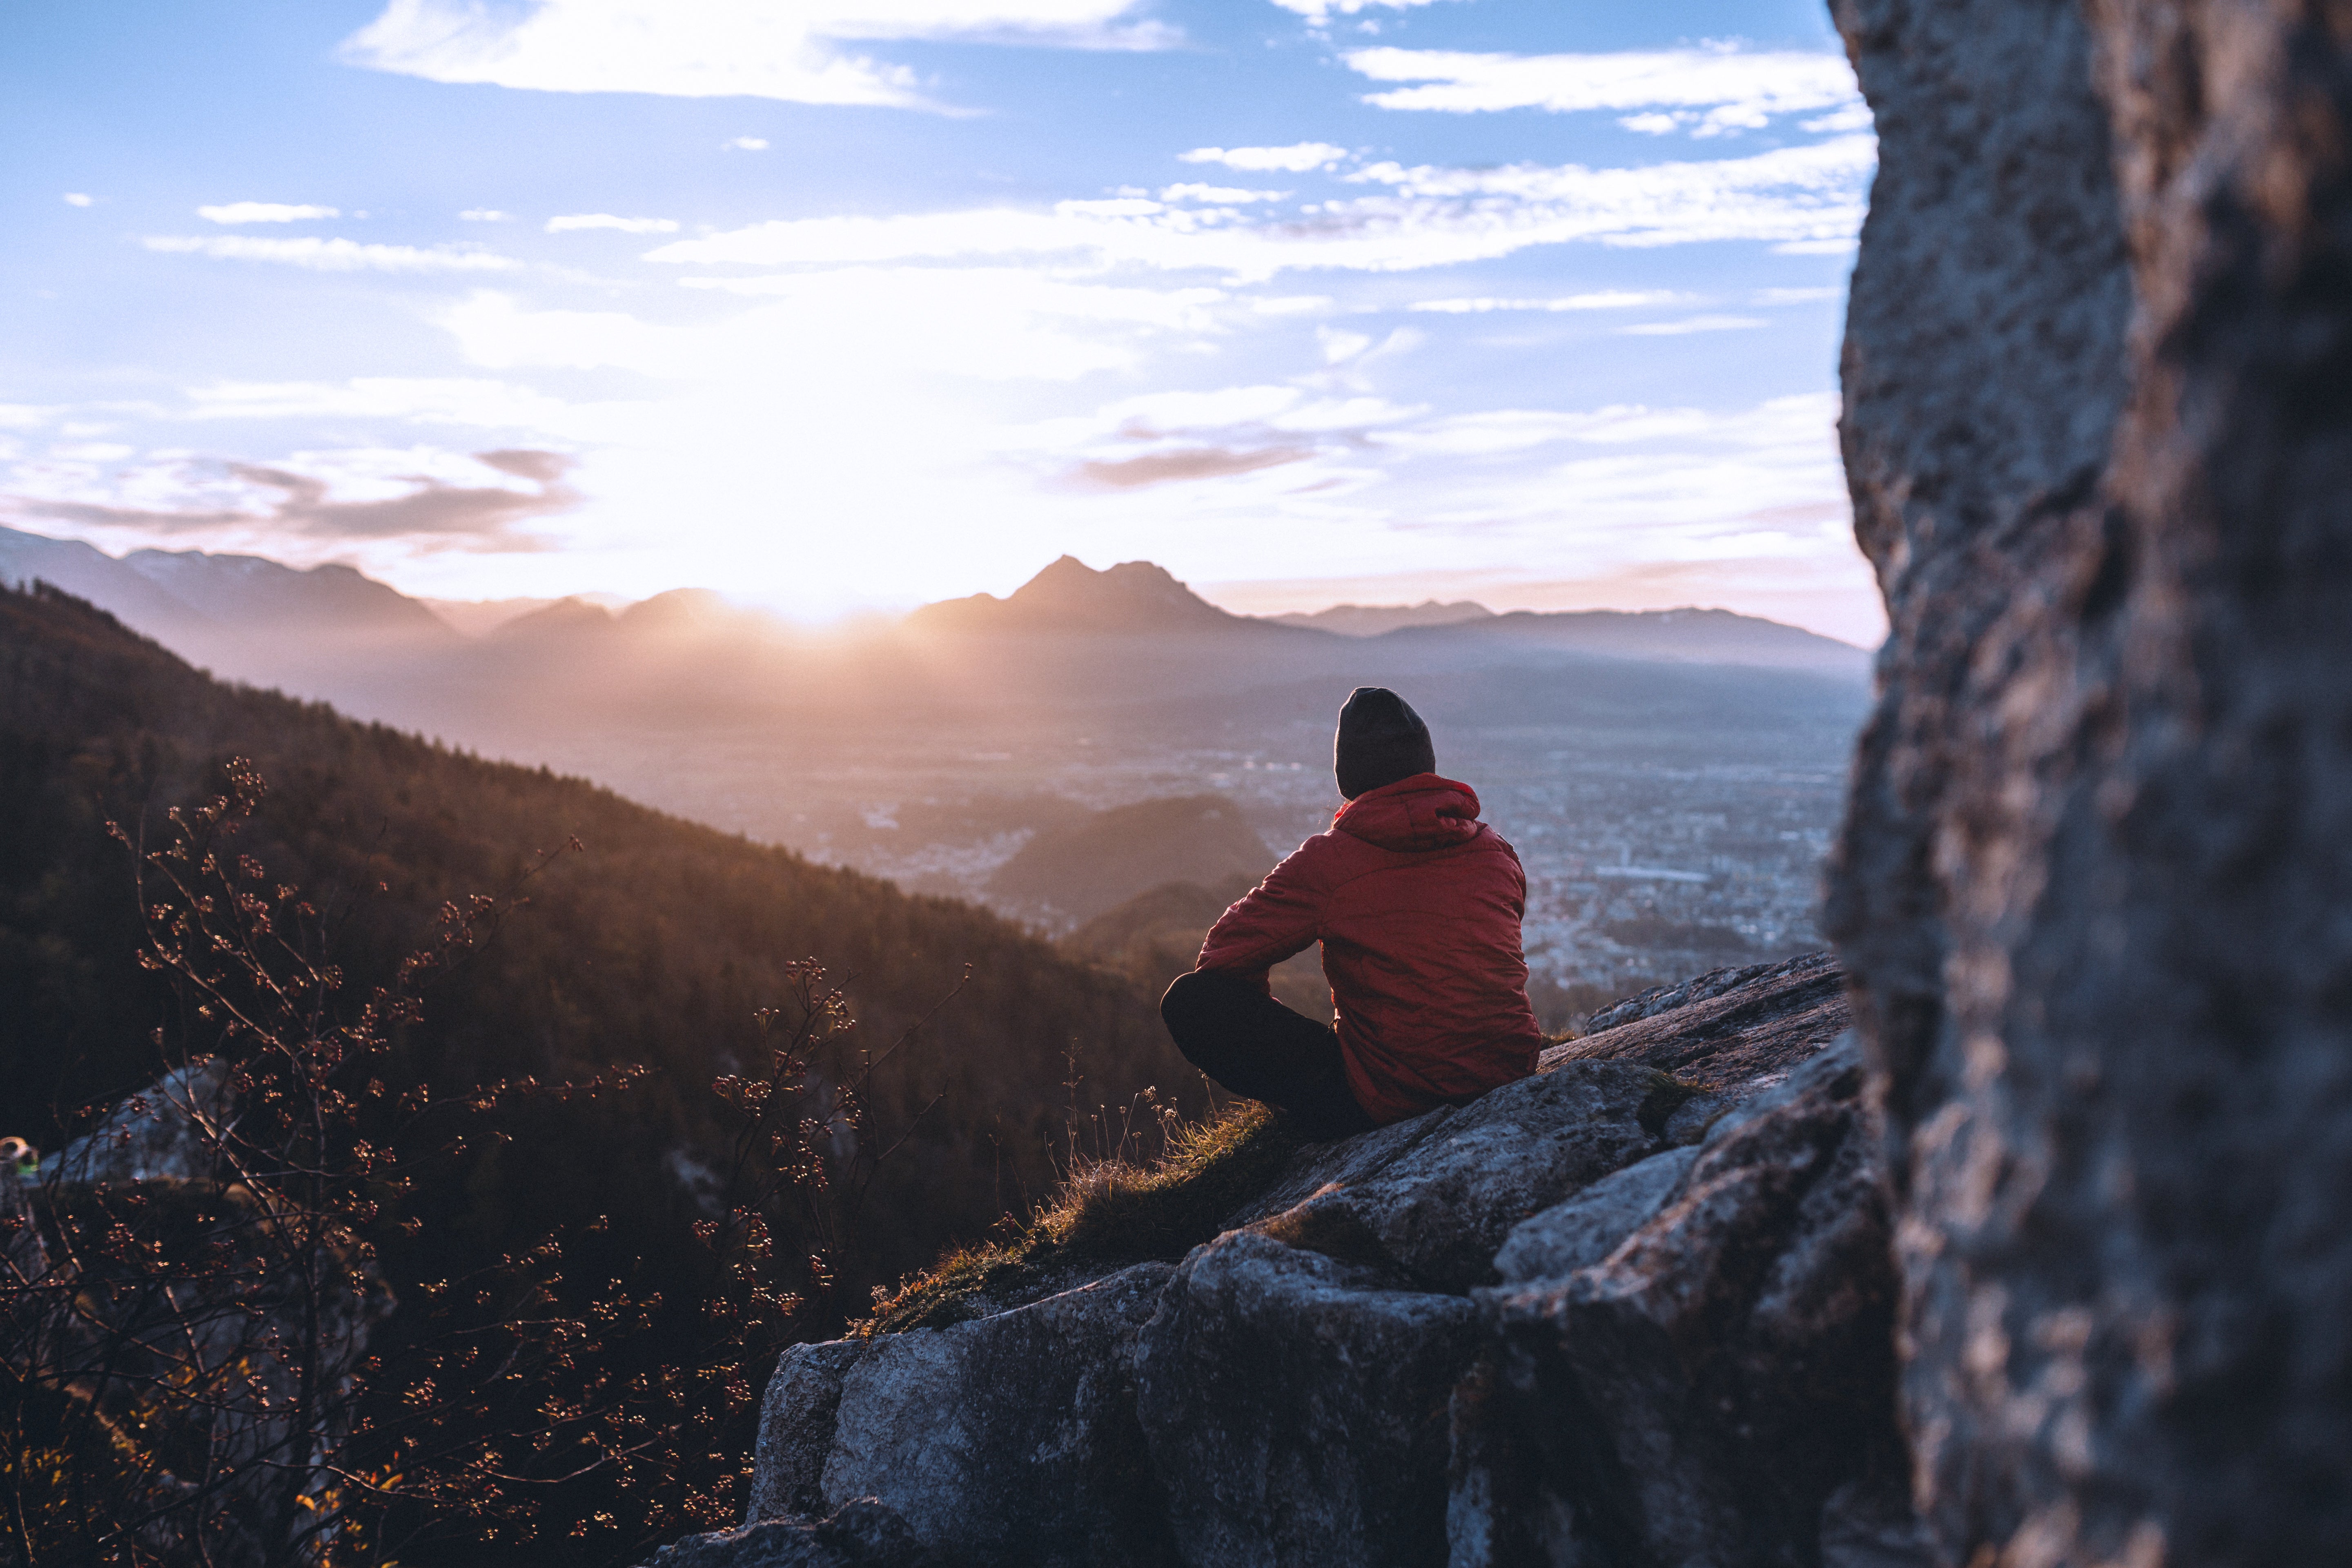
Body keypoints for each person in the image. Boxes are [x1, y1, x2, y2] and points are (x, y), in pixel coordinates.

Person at [1160, 686, 1541, 1139]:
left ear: (1350, 776)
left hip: (1391, 1097)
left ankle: (1308, 1120)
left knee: (1191, 1001)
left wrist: (1285, 1045)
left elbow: (1224, 955)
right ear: (1427, 765)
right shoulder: (1495, 851)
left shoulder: (1330, 862)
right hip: (1509, 1072)